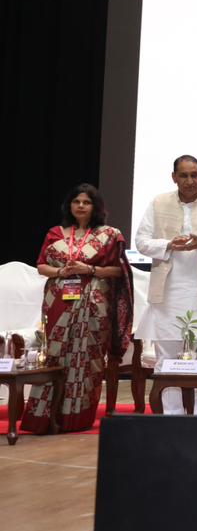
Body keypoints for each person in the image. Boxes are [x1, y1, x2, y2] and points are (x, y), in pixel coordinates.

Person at [21, 185, 132, 434]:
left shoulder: (109, 235)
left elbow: (119, 271)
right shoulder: (55, 233)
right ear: (69, 205)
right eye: (76, 201)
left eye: (87, 202)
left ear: (96, 206)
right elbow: (41, 266)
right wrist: (61, 271)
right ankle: (44, 418)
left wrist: (89, 269)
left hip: (94, 305)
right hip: (59, 302)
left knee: (88, 357)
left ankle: (77, 418)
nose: (81, 206)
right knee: (55, 356)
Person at [134, 155, 197, 415]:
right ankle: (172, 417)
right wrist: (168, 244)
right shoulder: (158, 203)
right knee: (167, 357)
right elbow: (141, 241)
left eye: (195, 175)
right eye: (184, 175)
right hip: (169, 294)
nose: (190, 181)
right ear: (174, 177)